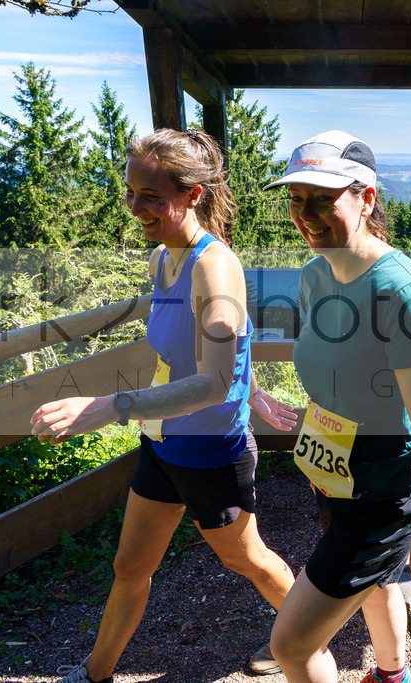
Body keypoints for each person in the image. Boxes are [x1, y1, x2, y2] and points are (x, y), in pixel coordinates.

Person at [30, 128, 298, 683]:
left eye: (151, 196)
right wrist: (255, 391)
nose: (135, 208)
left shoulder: (214, 269)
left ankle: (308, 630)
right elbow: (203, 356)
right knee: (130, 565)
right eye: (130, 192)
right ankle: (93, 674)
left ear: (192, 195)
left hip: (209, 451)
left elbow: (215, 376)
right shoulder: (163, 258)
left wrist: (113, 405)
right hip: (162, 440)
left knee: (244, 558)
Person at [262, 130, 411, 683]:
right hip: (335, 476)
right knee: (375, 588)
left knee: (292, 646)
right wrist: (309, 418)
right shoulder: (314, 275)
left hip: (381, 497)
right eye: (297, 199)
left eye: (325, 199)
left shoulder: (404, 296)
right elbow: (339, 375)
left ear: (366, 198)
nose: (307, 215)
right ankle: (394, 676)